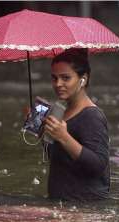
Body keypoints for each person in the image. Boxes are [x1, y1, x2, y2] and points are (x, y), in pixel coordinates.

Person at [43, 48, 110, 202]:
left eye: (65, 78)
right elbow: (58, 158)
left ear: (83, 80)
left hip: (84, 207)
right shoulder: (60, 111)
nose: (58, 84)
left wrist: (64, 137)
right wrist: (42, 129)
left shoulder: (92, 116)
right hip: (60, 203)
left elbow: (98, 165)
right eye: (54, 78)